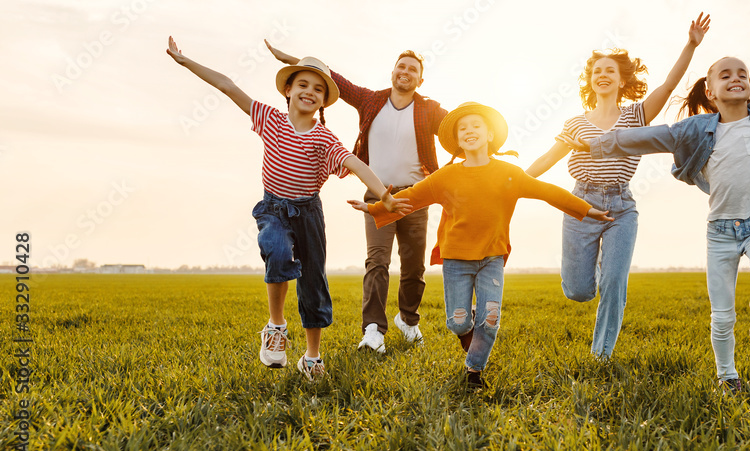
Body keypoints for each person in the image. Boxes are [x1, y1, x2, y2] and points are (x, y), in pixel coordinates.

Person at [570, 11, 750, 393]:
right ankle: (728, 378)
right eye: (725, 75)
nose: (736, 78)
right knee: (721, 315)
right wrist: (597, 144)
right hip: (720, 233)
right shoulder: (695, 129)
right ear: (710, 92)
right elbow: (645, 136)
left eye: (742, 73)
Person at [166, 37, 409, 380]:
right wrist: (185, 60)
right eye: (303, 85)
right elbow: (227, 85)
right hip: (274, 209)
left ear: (325, 100)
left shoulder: (324, 138)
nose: (309, 92)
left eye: (318, 89)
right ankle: (276, 327)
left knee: (313, 283)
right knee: (277, 252)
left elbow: (354, 163)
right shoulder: (269, 119)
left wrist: (383, 194)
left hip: (309, 214)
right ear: (289, 91)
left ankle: (311, 358)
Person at [350, 103, 613, 389]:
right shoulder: (446, 177)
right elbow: (411, 197)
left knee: (490, 319)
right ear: (457, 140)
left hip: (491, 258)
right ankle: (469, 327)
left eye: (476, 126)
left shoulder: (508, 173)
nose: (469, 131)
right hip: (456, 260)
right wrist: (375, 208)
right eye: (463, 128)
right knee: (458, 323)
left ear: (489, 135)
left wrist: (586, 209)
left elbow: (548, 191)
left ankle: (473, 372)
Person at [525, 13, 711, 358]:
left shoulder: (635, 117)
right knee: (579, 291)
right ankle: (595, 266)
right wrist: (515, 181)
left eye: (610, 70)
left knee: (613, 282)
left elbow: (668, 86)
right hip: (580, 204)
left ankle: (601, 355)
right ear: (590, 81)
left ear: (622, 79)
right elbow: (548, 159)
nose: (603, 75)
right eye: (597, 71)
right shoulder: (576, 123)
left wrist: (690, 45)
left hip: (621, 207)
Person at [267, 42, 448, 354]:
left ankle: (408, 319)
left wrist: (474, 147)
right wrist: (292, 60)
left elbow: (457, 128)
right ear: (393, 72)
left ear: (420, 80)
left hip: (416, 197)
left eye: (413, 70)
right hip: (378, 196)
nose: (405, 72)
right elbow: (334, 78)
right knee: (377, 261)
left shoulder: (429, 110)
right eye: (401, 66)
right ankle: (373, 330)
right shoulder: (370, 101)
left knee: (414, 266)